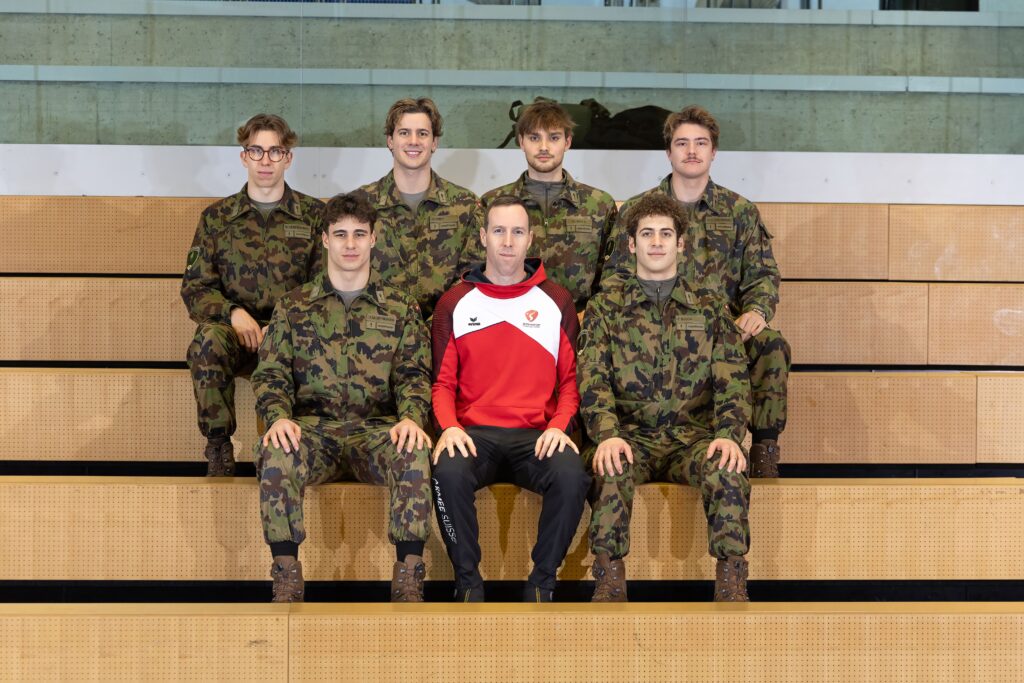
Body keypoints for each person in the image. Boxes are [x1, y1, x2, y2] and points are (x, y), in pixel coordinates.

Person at [253, 193, 434, 603]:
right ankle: (286, 576)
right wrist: (278, 416)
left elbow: (413, 374)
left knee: (413, 448)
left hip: (377, 433)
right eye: (340, 234)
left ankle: (409, 578)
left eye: (359, 234)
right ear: (324, 239)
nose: (350, 244)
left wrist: (410, 416)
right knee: (277, 449)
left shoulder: (400, 307)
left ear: (374, 238)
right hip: (313, 432)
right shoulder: (294, 306)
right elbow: (271, 373)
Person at [601, 105, 790, 477]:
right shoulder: (639, 210)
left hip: (724, 329)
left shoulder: (738, 211)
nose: (691, 151)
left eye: (701, 143)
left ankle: (763, 451)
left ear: (714, 151)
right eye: (682, 143)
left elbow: (763, 274)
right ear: (668, 152)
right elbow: (614, 278)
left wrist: (756, 310)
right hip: (651, 329)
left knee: (771, 344)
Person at [580, 194, 753, 602]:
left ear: (681, 243)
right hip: (629, 436)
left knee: (726, 467)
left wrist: (729, 434)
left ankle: (731, 581)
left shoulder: (710, 307)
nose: (656, 242)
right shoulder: (606, 308)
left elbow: (732, 380)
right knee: (611, 466)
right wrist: (606, 435)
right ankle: (608, 581)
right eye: (646, 234)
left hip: (692, 438)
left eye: (665, 234)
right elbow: (592, 378)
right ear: (631, 244)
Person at [430, 195, 589, 603]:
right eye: (498, 231)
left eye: (517, 232)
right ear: (483, 236)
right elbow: (442, 383)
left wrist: (559, 426)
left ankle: (542, 584)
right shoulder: (454, 302)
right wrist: (449, 427)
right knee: (446, 471)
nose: (507, 241)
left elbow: (570, 383)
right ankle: (468, 584)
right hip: (473, 435)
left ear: (530, 239)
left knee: (572, 475)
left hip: (536, 436)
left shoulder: (556, 300)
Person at [181, 113, 324, 476]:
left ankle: (291, 454)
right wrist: (232, 313)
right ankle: (218, 446)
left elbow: (325, 286)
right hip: (236, 333)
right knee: (206, 341)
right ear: (243, 156)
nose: (265, 160)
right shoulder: (217, 218)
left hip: (292, 334)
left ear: (288, 158)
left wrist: (285, 324)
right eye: (256, 151)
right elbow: (195, 287)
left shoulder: (314, 216)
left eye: (275, 151)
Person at [479, 100, 617, 312]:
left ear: (567, 142)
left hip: (579, 320)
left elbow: (612, 275)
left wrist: (592, 318)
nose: (544, 147)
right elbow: (478, 269)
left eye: (554, 137)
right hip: (509, 318)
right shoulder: (493, 203)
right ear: (521, 142)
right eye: (534, 138)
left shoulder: (599, 204)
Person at [352, 97, 481, 318]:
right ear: (390, 141)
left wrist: (436, 324)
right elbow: (346, 275)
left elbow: (472, 277)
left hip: (446, 329)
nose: (414, 141)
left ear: (434, 142)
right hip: (378, 331)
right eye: (404, 133)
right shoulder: (359, 204)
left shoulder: (465, 205)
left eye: (422, 133)